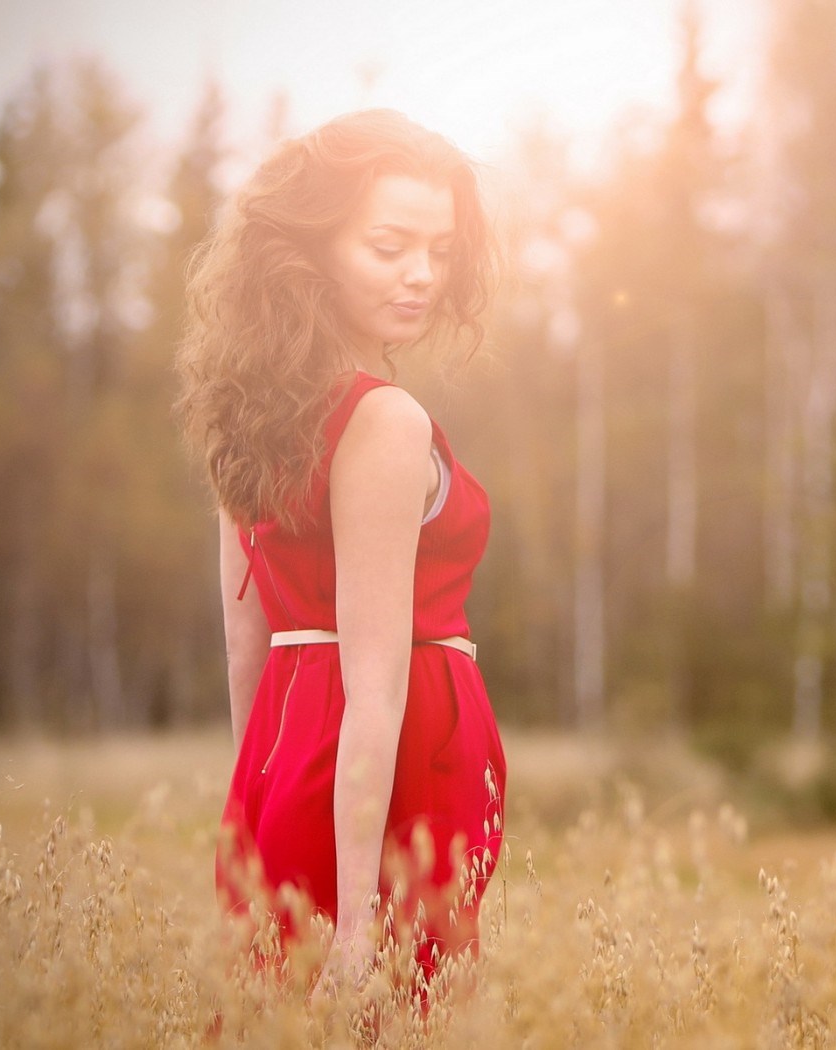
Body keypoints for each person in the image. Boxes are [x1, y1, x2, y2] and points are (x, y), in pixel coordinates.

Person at [174, 108, 506, 995]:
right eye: (390, 245)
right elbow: (374, 681)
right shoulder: (384, 419)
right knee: (385, 1007)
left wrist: (256, 820)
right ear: (312, 250)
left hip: (289, 760)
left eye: (440, 248)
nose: (423, 275)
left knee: (279, 1009)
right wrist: (359, 922)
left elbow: (250, 655)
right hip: (395, 767)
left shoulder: (249, 415)